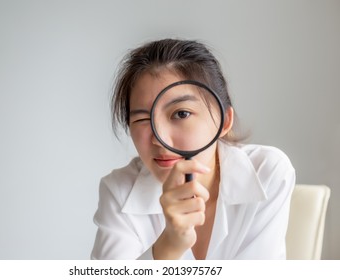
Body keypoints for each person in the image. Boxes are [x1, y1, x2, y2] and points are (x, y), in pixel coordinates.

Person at [91, 39, 295, 260]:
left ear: (224, 122)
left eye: (181, 113)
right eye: (142, 118)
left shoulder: (267, 172)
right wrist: (167, 247)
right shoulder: (118, 190)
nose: (160, 139)